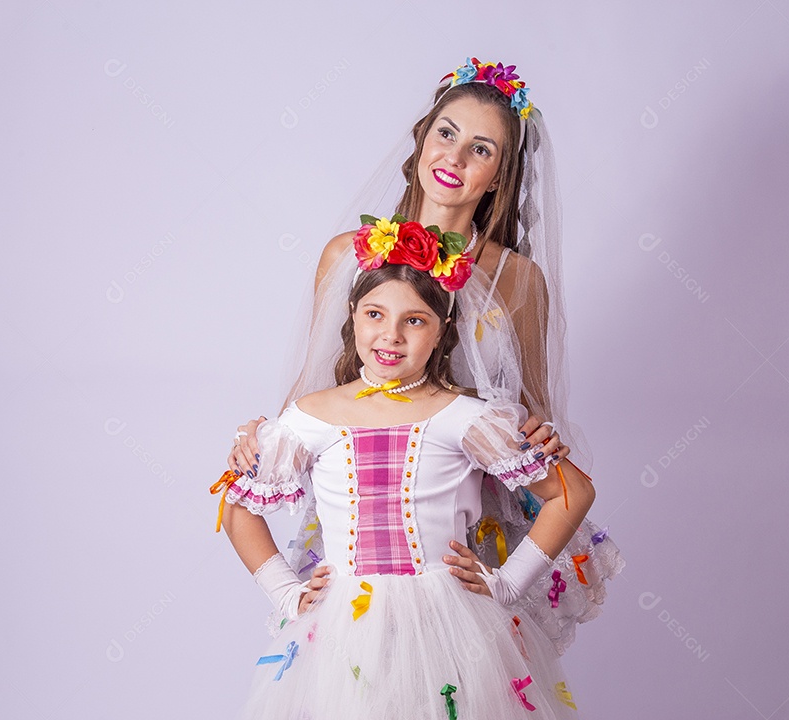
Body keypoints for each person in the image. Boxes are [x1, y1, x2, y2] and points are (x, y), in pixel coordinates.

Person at [227, 60, 609, 622]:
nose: (454, 158)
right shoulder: (345, 256)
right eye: (446, 134)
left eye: (481, 149)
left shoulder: (519, 280)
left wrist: (538, 434)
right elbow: (312, 386)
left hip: (465, 524)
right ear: (423, 139)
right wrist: (261, 440)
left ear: (500, 176)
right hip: (367, 503)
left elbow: (531, 408)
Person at [215, 219, 614, 718]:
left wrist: (508, 582)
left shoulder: (468, 417)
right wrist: (286, 593)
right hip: (342, 628)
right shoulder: (310, 417)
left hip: (449, 624)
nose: (391, 335)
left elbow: (570, 492)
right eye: (375, 314)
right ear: (352, 316)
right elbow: (237, 509)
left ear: (443, 330)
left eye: (415, 320)